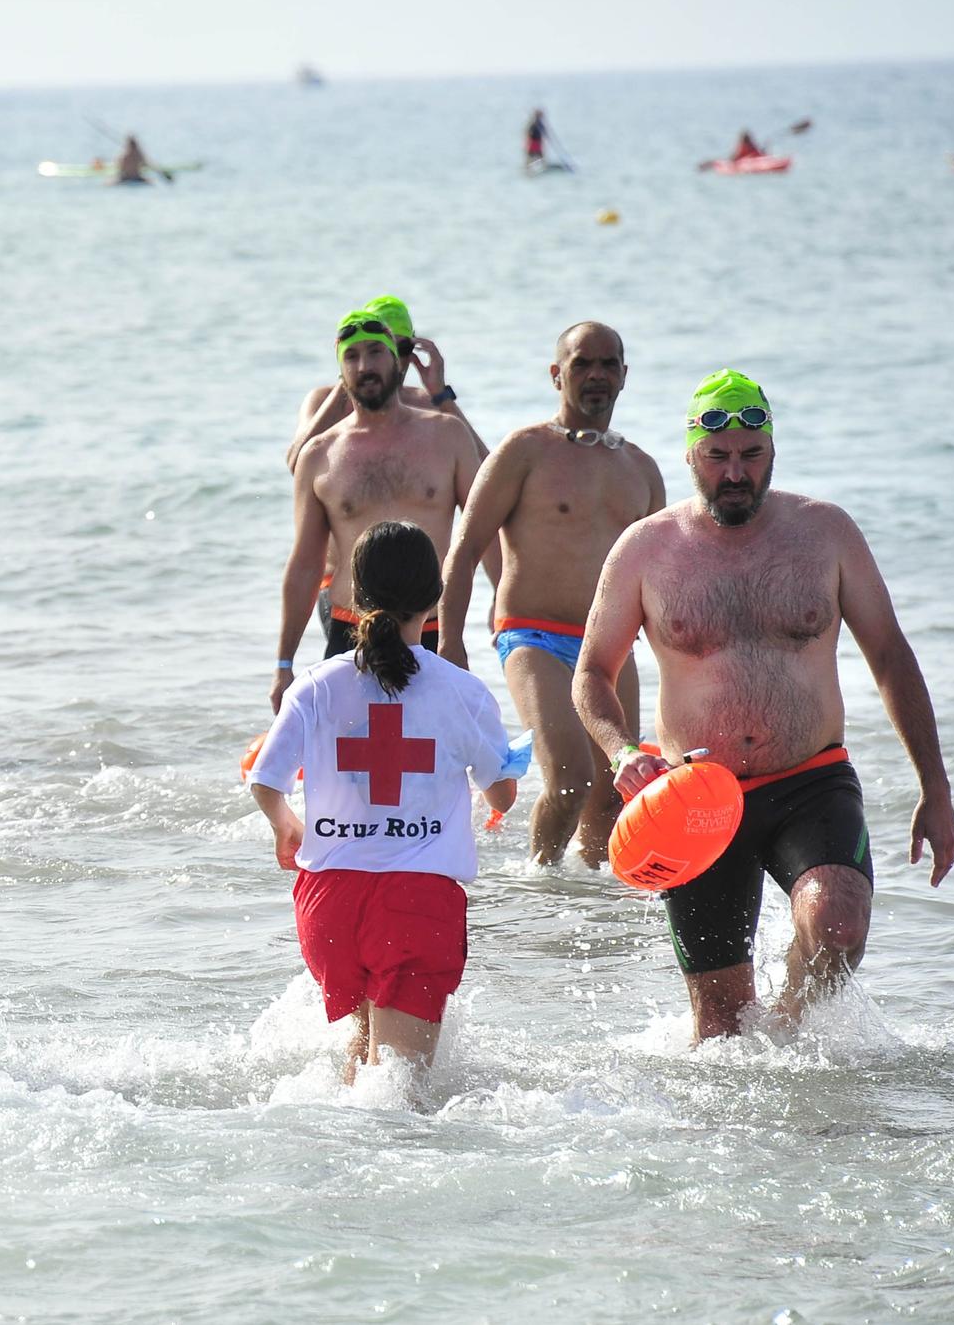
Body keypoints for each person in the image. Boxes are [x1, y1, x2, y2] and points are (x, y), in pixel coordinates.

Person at [573, 370, 954, 1042]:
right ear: (690, 454)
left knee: (838, 924)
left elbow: (892, 656)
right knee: (720, 1029)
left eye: (751, 455)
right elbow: (591, 676)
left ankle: (789, 1029)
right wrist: (622, 753)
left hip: (811, 780)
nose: (735, 473)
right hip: (693, 799)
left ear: (772, 452)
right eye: (718, 457)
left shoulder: (826, 533)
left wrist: (936, 786)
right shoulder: (646, 550)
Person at [249, 520, 519, 1091]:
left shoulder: (315, 685)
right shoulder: (462, 692)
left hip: (328, 904)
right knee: (401, 1092)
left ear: (354, 597)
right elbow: (501, 793)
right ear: (435, 597)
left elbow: (265, 780)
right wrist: (502, 782)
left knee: (365, 1052)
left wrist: (286, 825)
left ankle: (333, 1170)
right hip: (416, 902)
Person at [437, 323, 665, 867]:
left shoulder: (641, 469)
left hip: (608, 648)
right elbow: (464, 549)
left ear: (624, 377)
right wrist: (450, 643)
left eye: (609, 365)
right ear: (556, 373)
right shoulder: (525, 451)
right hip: (532, 636)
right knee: (569, 781)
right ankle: (538, 881)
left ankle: (584, 904)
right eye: (582, 363)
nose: (596, 376)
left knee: (612, 793)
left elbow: (660, 582)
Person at [272, 310, 490, 711]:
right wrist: (284, 662)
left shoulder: (446, 436)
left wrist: (496, 604)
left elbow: (480, 534)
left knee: (442, 758)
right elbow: (305, 562)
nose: (364, 366)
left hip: (432, 629)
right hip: (349, 628)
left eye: (375, 352)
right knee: (343, 761)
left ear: (397, 360)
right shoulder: (321, 455)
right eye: (351, 356)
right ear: (340, 369)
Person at [286, 295, 482, 474]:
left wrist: (440, 395)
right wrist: (349, 381)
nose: (396, 360)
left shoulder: (430, 406)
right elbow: (297, 464)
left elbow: (490, 480)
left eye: (403, 348)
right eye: (377, 350)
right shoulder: (322, 400)